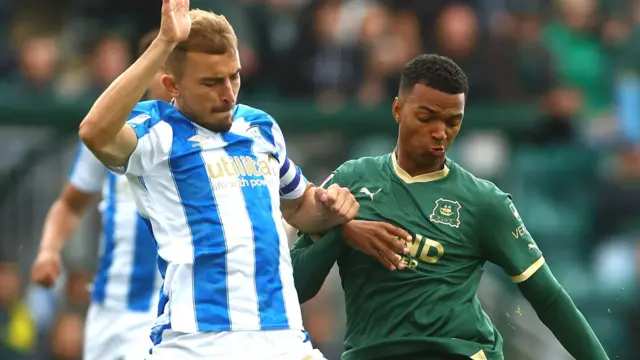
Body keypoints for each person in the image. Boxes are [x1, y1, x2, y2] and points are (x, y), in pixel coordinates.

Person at [77, 1, 359, 359]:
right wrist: (163, 43)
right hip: (196, 342)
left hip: (283, 336)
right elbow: (94, 133)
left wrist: (331, 206)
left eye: (235, 76)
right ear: (171, 84)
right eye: (212, 82)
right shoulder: (156, 132)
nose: (228, 92)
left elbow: (299, 205)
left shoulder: (260, 127)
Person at [290, 54, 609, 360]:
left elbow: (549, 297)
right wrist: (342, 231)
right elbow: (295, 288)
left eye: (453, 121)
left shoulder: (483, 201)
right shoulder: (351, 180)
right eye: (427, 117)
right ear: (398, 110)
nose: (441, 132)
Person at [30, 29, 171, 360]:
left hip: (169, 313)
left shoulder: (203, 141)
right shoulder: (113, 133)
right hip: (108, 310)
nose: (167, 78)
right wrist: (49, 250)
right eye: (160, 67)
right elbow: (70, 204)